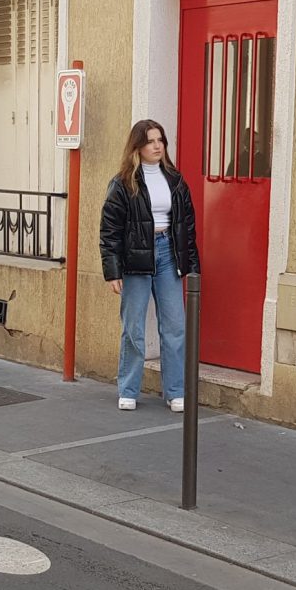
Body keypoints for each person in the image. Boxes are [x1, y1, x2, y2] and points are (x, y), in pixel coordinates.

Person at [99, 118, 200, 412]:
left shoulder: (175, 179)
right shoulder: (123, 182)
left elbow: (187, 227)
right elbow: (109, 229)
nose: (157, 146)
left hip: (168, 253)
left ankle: (176, 391)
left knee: (175, 326)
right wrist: (112, 270)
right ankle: (128, 389)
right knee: (133, 328)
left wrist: (191, 266)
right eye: (151, 141)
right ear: (138, 146)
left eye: (160, 140)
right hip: (135, 259)